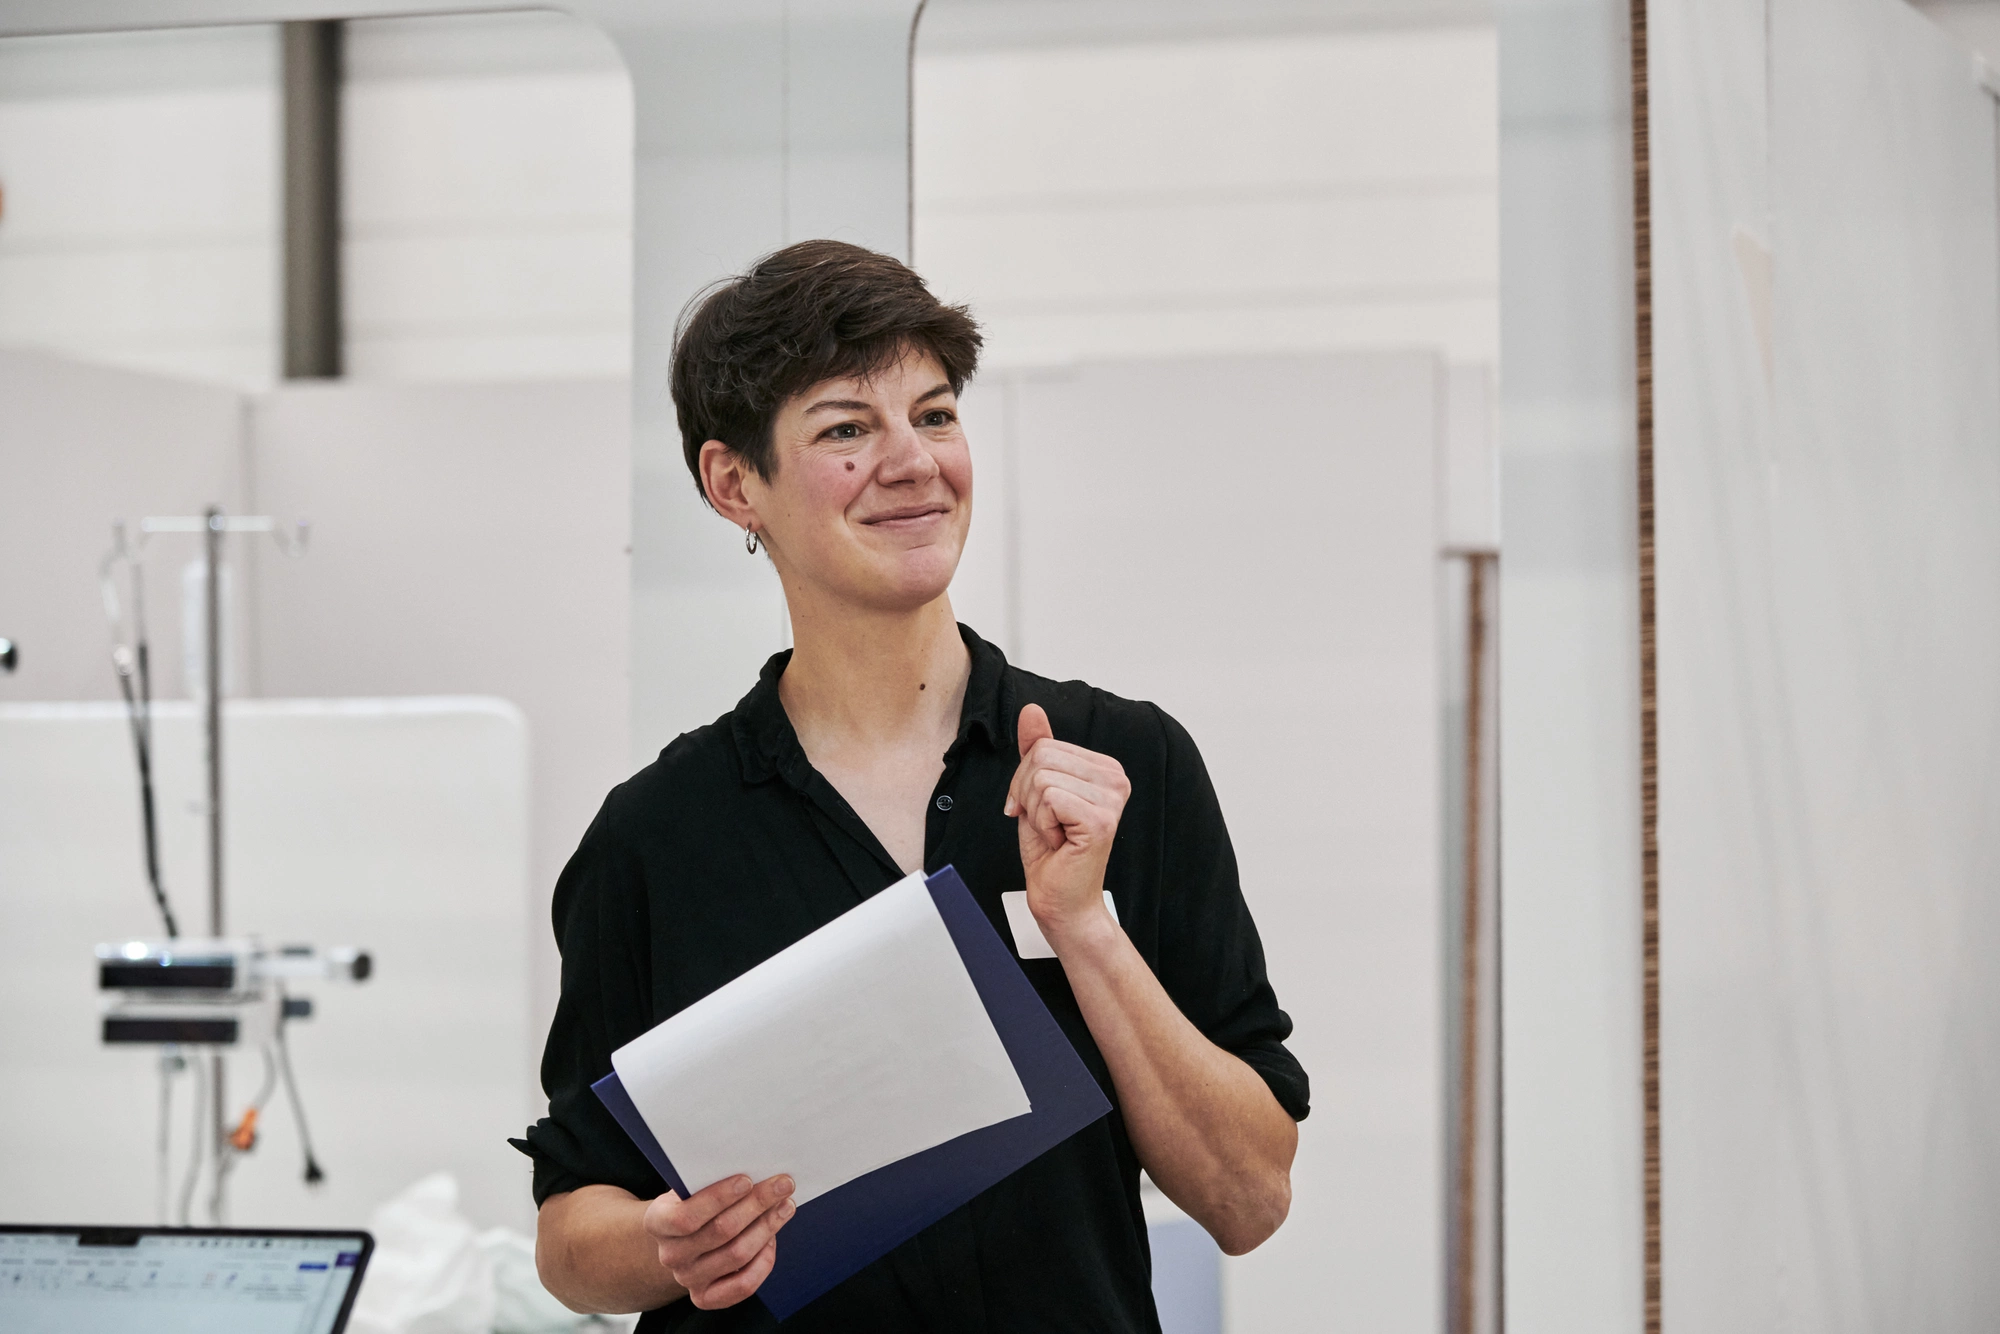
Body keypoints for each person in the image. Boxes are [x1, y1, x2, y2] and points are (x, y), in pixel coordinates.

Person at [515, 240, 1308, 1332]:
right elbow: (569, 1233)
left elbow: (1249, 1196)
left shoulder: (1121, 764)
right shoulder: (654, 838)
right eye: (846, 429)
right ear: (733, 483)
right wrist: (666, 1241)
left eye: (934, 416)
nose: (912, 462)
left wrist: (1084, 928)